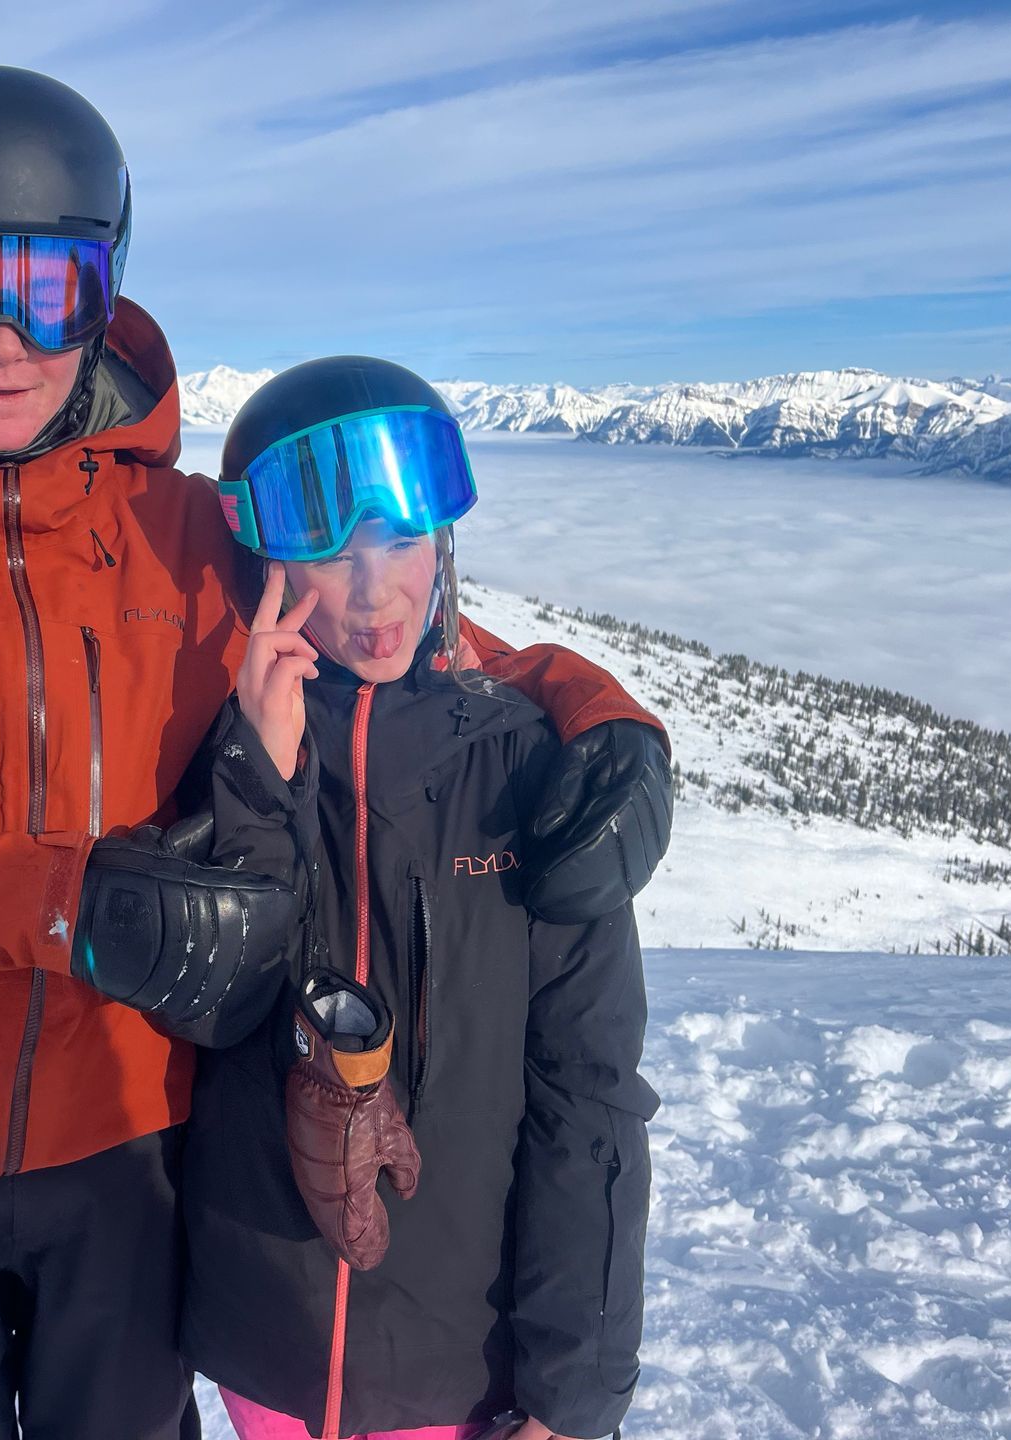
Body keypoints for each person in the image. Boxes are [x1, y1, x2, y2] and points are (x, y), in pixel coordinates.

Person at [0, 66, 671, 1440]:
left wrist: (600, 717)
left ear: (102, 290)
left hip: (135, 1144)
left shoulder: (190, 535)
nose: (3, 340)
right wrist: (64, 904)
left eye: (48, 288)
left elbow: (399, 631)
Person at [178, 356, 660, 1440]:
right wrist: (258, 779)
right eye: (328, 549)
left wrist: (571, 1398)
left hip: (458, 1364)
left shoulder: (534, 778)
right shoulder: (216, 752)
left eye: (399, 540)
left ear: (444, 540)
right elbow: (208, 1010)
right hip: (265, 1346)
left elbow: (588, 1095)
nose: (372, 588)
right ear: (262, 559)